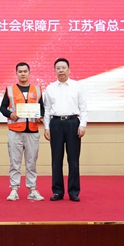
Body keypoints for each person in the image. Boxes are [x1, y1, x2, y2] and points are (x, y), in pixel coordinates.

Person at [43, 57, 88, 202]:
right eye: (58, 68)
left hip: (73, 123)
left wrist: (82, 125)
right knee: (56, 159)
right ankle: (57, 191)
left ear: (69, 70)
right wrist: (46, 127)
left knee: (73, 159)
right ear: (54, 71)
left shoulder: (77, 86)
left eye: (63, 68)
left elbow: (83, 108)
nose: (61, 70)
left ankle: (73, 192)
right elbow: (47, 109)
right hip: (56, 123)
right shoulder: (50, 88)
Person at [0, 62, 45, 201]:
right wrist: (10, 114)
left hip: (32, 131)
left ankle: (32, 189)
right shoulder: (10, 90)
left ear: (29, 72)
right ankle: (14, 189)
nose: (23, 73)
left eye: (25, 71)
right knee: (15, 162)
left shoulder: (37, 89)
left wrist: (40, 117)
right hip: (15, 131)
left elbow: (42, 108)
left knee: (31, 162)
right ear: (16, 73)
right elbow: (2, 108)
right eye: (20, 71)